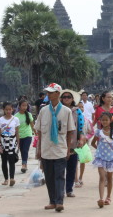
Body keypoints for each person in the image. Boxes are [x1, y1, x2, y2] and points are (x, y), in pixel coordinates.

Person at [35, 83, 76, 212]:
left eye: (51, 92)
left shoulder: (66, 111)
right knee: (49, 176)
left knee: (59, 176)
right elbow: (39, 131)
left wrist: (68, 148)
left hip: (60, 148)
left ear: (58, 94)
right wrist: (39, 149)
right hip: (47, 147)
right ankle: (52, 201)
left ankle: (59, 201)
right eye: (48, 92)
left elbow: (70, 131)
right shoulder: (43, 110)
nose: (49, 94)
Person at [91, 112, 113, 208]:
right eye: (102, 120)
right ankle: (101, 198)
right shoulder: (98, 132)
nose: (104, 121)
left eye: (106, 120)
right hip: (101, 158)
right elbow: (93, 143)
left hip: (111, 159)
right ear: (100, 121)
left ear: (110, 120)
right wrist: (99, 150)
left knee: (110, 178)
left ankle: (108, 197)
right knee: (102, 177)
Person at [0, 102, 20, 187]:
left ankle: (12, 178)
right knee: (4, 160)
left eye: (10, 109)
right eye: (6, 109)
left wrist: (18, 144)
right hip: (3, 141)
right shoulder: (0, 120)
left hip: (12, 141)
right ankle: (6, 178)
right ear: (3, 110)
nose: (8, 111)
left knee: (11, 160)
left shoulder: (15, 119)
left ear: (12, 109)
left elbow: (17, 132)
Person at [75, 101, 94, 188]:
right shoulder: (72, 120)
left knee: (83, 161)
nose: (80, 108)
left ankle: (80, 177)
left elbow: (91, 132)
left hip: (84, 144)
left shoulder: (86, 121)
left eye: (82, 107)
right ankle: (75, 179)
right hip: (74, 144)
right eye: (78, 107)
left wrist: (85, 138)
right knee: (74, 161)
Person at [14, 99, 36, 173]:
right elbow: (14, 128)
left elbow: (32, 125)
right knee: (21, 150)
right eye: (23, 105)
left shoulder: (29, 114)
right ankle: (24, 164)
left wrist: (36, 133)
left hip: (28, 134)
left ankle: (24, 164)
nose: (24, 107)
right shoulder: (16, 116)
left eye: (25, 105)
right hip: (19, 136)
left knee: (25, 150)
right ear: (19, 106)